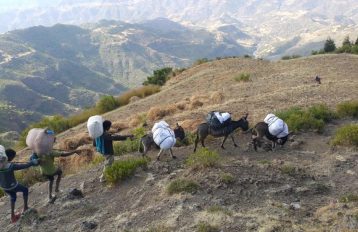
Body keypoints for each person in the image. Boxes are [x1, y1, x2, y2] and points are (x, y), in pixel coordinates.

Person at [0, 147, 38, 223]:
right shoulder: (11, 166)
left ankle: (12, 216)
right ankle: (25, 207)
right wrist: (32, 162)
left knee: (13, 196)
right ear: (10, 157)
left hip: (4, 187)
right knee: (25, 190)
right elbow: (24, 166)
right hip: (13, 186)